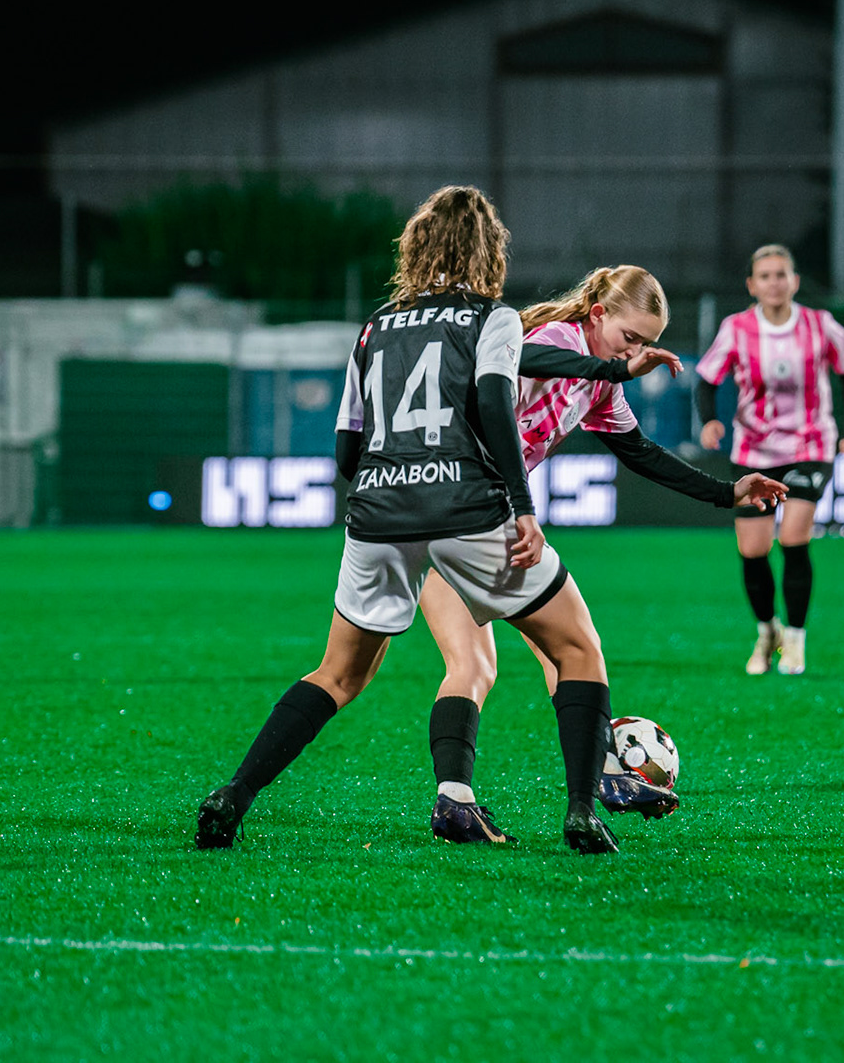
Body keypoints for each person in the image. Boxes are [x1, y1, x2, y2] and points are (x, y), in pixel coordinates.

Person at [195, 186, 625, 855]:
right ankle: (579, 813)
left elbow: (346, 451)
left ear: (416, 249)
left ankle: (234, 793)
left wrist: (395, 489)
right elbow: (491, 404)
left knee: (338, 674)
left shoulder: (373, 329)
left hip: (378, 511)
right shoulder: (496, 320)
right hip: (467, 510)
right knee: (577, 648)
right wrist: (520, 506)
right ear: (489, 251)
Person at [417, 265, 789, 838]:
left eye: (647, 344)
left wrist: (726, 492)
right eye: (630, 338)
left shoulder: (597, 379)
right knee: (574, 649)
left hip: (438, 515)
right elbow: (519, 359)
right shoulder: (559, 341)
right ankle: (599, 786)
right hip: (479, 513)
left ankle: (453, 800)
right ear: (597, 315)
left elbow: (637, 449)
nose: (637, 353)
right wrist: (612, 366)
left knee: (476, 664)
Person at [695, 245, 844, 677]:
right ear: (752, 285)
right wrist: (711, 421)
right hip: (753, 450)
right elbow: (707, 380)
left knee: (793, 539)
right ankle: (766, 631)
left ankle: (795, 639)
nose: (774, 282)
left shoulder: (819, 325)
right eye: (765, 276)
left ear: (795, 281)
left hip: (810, 444)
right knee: (753, 550)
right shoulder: (737, 329)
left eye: (781, 274)